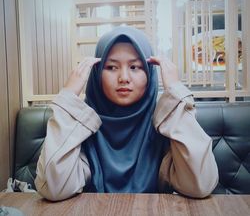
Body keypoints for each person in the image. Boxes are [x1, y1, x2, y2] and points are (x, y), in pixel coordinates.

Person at [35, 26, 218, 201]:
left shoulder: (165, 120)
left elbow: (199, 185)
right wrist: (68, 96)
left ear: (149, 72)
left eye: (134, 67)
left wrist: (176, 93)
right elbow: (54, 189)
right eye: (112, 67)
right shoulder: (81, 122)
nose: (124, 78)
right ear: (97, 73)